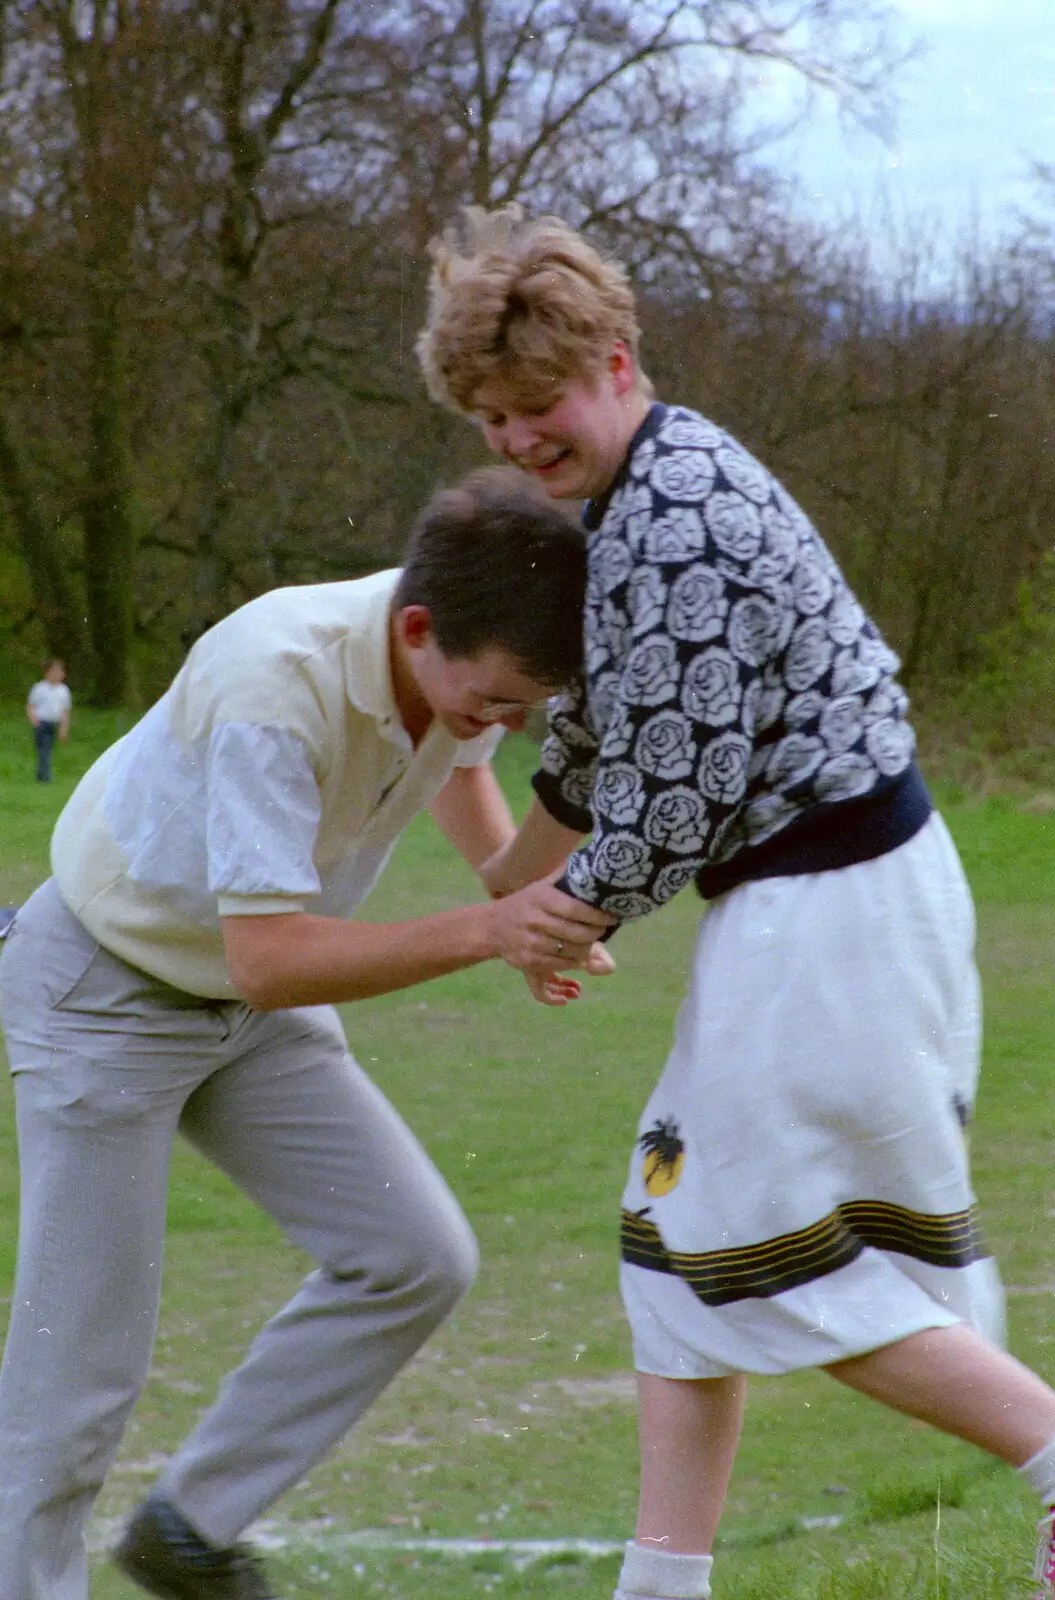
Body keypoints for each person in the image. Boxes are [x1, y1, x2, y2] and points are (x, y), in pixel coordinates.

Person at [416, 206, 1055, 1600]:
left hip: (828, 908)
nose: (519, 442)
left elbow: (668, 808)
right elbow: (594, 758)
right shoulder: (625, 503)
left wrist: (544, 921)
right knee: (670, 1243)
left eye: (537, 408)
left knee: (737, 1248)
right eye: (492, 419)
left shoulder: (676, 519)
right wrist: (509, 886)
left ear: (616, 364)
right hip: (822, 907)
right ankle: (662, 1588)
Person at [0, 466, 612, 1600]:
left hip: (245, 1012)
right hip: (106, 996)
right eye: (493, 703)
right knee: (74, 1385)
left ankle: (188, 1528)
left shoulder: (448, 642)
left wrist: (556, 877)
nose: (499, 726)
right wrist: (490, 931)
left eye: (523, 710)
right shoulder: (273, 681)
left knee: (414, 1257)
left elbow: (492, 857)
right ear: (418, 630)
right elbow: (269, 957)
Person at [25, 658, 71, 783]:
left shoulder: (63, 690)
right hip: (42, 723)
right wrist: (34, 719)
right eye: (54, 672)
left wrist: (64, 728)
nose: (57, 675)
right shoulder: (39, 688)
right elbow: (31, 706)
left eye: (59, 672)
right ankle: (45, 777)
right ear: (47, 673)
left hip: (54, 723)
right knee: (43, 749)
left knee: (48, 749)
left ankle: (41, 775)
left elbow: (65, 711)